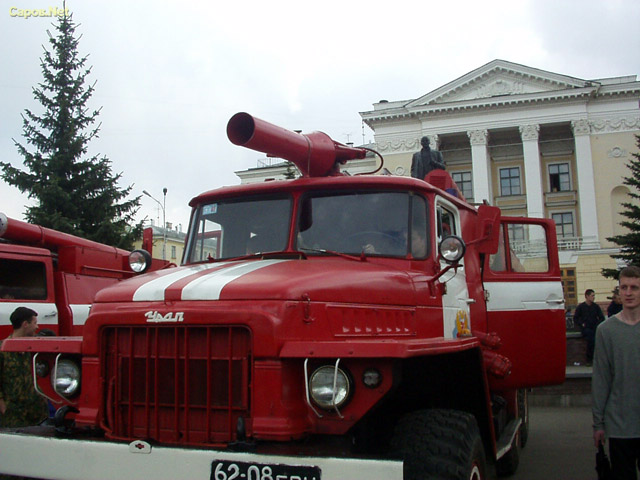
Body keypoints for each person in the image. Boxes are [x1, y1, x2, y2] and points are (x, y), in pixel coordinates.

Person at [592, 265, 640, 479]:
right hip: (620, 425)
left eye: (634, 287)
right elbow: (601, 379)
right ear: (619, 290)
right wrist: (598, 424)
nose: (628, 293)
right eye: (624, 287)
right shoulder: (606, 331)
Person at [0, 307, 48, 428]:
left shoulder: (34, 349)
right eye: (34, 323)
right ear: (25, 324)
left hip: (36, 412)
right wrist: (3, 407)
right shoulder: (3, 350)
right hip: (14, 414)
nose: (37, 327)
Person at [573, 288, 605, 365]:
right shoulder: (581, 307)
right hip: (586, 328)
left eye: (594, 295)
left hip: (594, 328)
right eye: (592, 295)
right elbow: (575, 318)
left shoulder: (595, 307)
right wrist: (582, 324)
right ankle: (589, 359)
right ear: (587, 296)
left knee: (597, 339)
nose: (594, 297)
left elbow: (601, 318)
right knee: (591, 340)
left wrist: (597, 324)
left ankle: (597, 359)